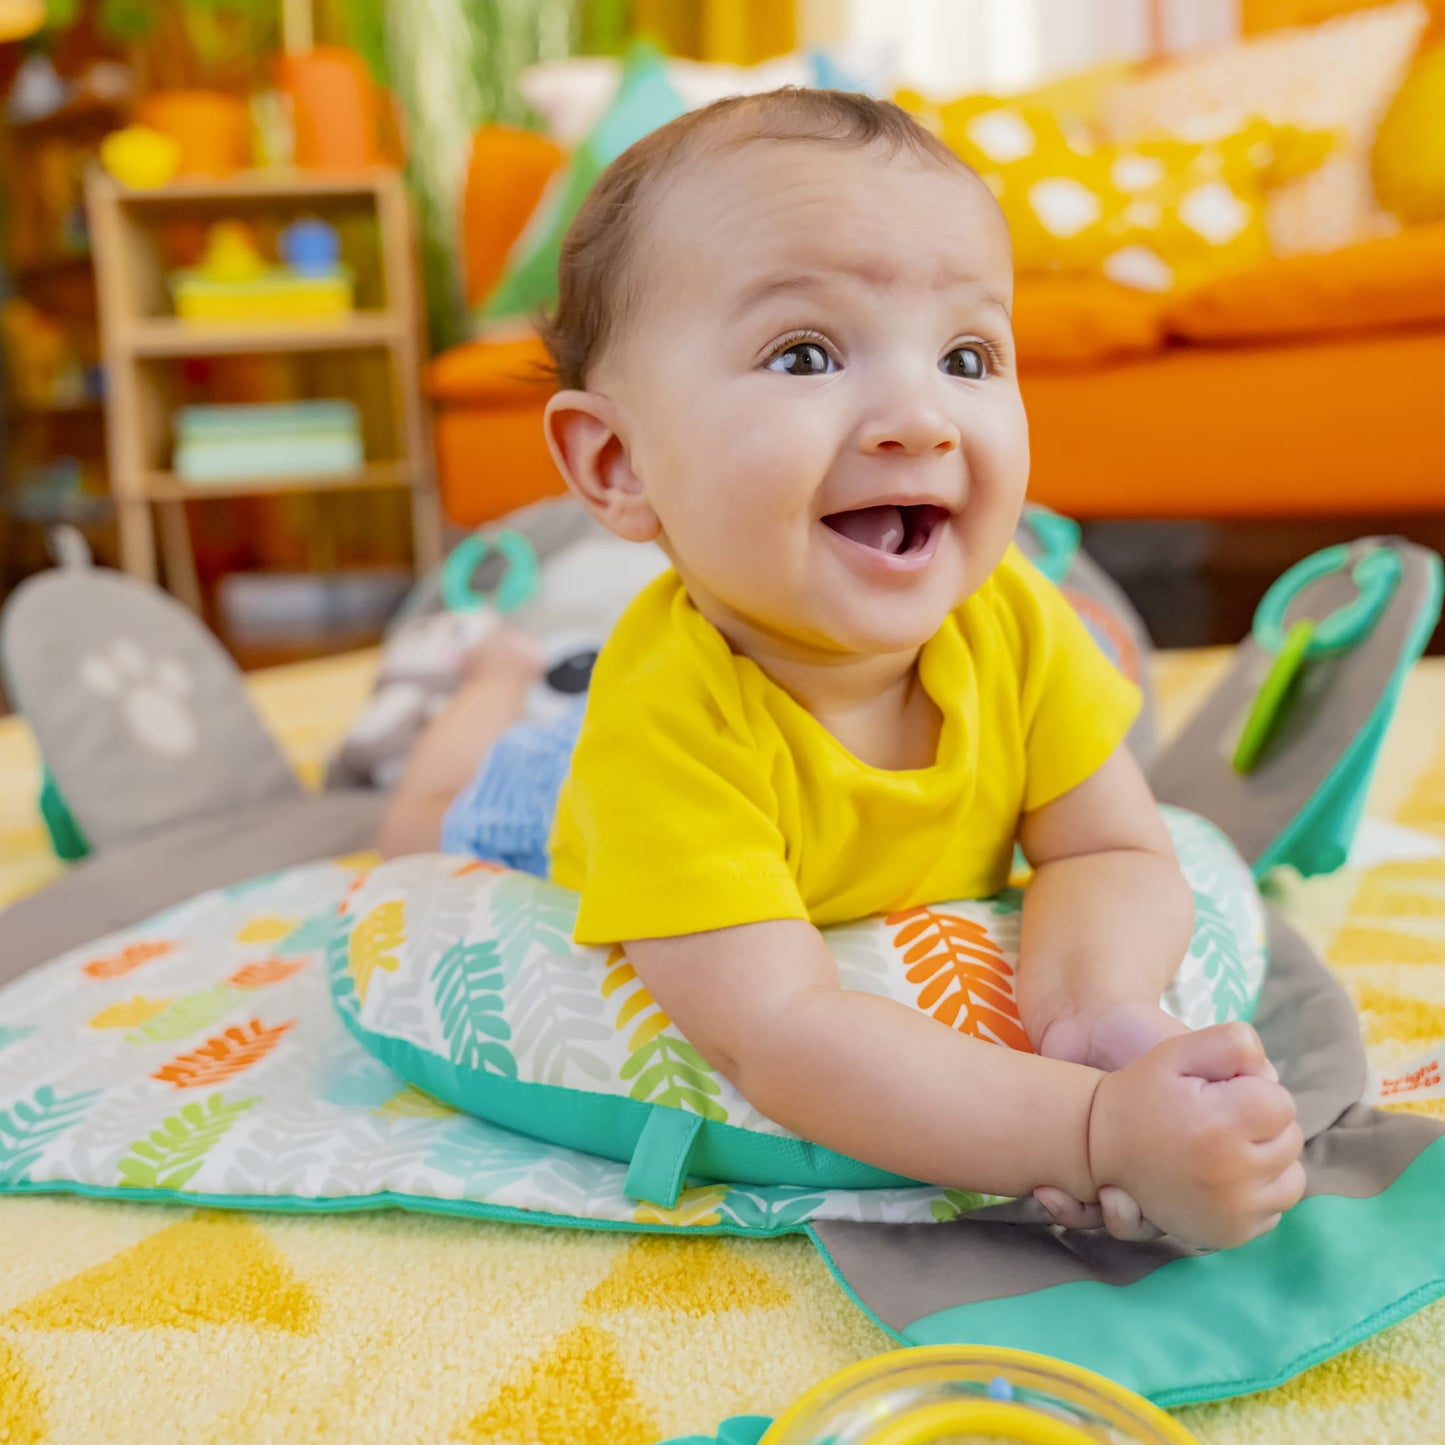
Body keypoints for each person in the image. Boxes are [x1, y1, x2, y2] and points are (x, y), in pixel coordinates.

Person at [376, 88, 1304, 1250]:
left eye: (967, 353)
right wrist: (1090, 1126)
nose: (919, 418)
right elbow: (779, 1030)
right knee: (422, 828)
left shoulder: (1011, 614)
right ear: (616, 461)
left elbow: (1109, 846)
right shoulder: (665, 724)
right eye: (804, 352)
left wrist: (1094, 1010)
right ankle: (487, 687)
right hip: (561, 798)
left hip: (785, 840)